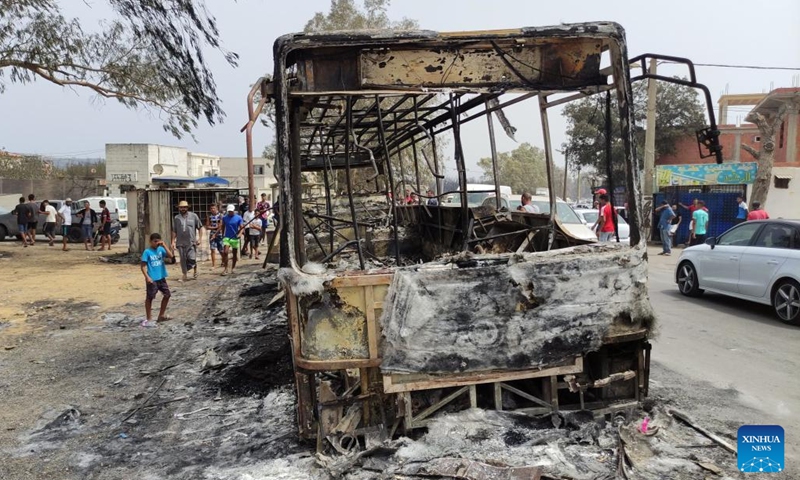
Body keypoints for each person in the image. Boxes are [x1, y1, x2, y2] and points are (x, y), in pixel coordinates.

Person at [140, 232, 174, 328]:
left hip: (161, 277)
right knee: (150, 298)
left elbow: (171, 256)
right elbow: (142, 266)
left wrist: (164, 245)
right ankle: (149, 318)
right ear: (150, 242)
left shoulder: (160, 249)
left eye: (158, 241)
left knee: (167, 294)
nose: (156, 243)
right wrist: (147, 277)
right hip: (152, 278)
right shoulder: (147, 252)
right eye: (155, 241)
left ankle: (161, 315)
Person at [171, 200, 202, 281]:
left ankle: (194, 271)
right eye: (181, 207)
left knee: (192, 258)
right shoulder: (176, 218)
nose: (183, 209)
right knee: (183, 259)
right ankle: (184, 274)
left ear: (187, 207)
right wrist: (172, 241)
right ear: (179, 208)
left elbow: (200, 227)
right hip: (180, 242)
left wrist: (200, 238)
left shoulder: (194, 216)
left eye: (185, 207)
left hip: (191, 242)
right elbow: (174, 231)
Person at [221, 204, 244, 276]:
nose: (230, 212)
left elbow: (242, 227)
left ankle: (233, 268)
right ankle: (226, 268)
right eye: (229, 211)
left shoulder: (238, 218)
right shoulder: (225, 218)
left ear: (234, 210)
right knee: (225, 252)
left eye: (231, 211)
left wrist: (240, 234)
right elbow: (223, 226)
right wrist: (222, 234)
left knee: (234, 253)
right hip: (227, 237)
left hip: (235, 237)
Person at [206, 204, 224, 268]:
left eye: (214, 208)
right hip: (212, 234)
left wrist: (216, 231)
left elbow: (221, 226)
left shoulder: (220, 216)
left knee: (221, 249)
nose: (212, 209)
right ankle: (213, 264)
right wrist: (214, 228)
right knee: (212, 249)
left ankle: (223, 260)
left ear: (216, 208)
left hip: (220, 234)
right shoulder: (209, 216)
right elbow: (207, 226)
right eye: (211, 208)